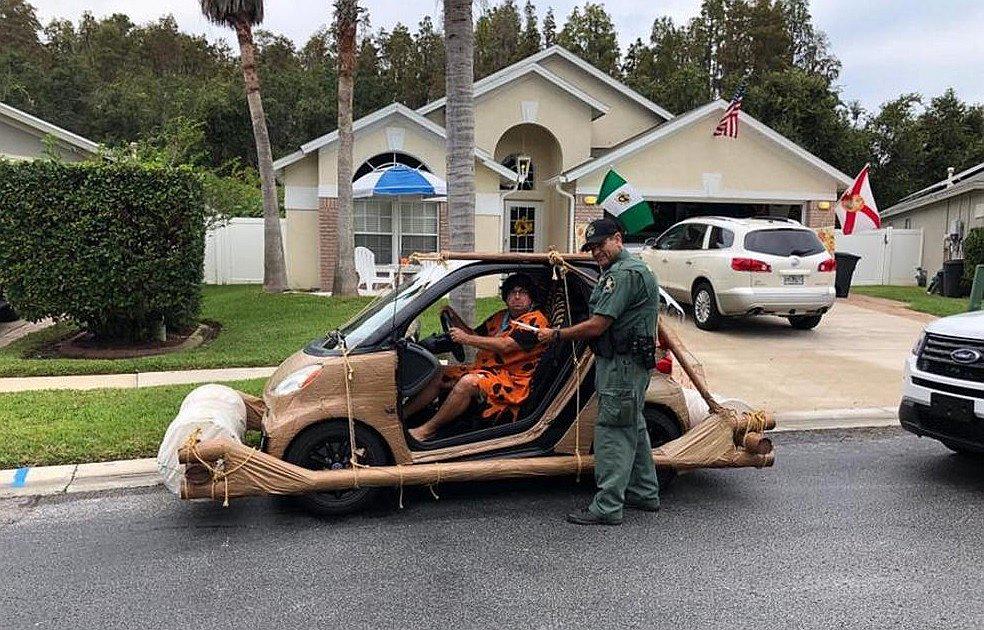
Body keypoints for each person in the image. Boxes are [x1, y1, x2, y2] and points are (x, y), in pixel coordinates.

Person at [538, 218, 661, 525]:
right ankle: (644, 492)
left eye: (600, 245)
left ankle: (607, 506)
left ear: (617, 238)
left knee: (612, 431)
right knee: (633, 425)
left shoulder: (622, 275)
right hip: (628, 363)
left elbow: (598, 324)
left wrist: (555, 335)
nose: (595, 252)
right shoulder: (634, 270)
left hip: (621, 365)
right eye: (591, 248)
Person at [406, 273, 550, 443]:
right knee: (438, 372)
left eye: (523, 292)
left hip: (513, 381)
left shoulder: (535, 322)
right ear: (505, 296)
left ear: (531, 296)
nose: (517, 297)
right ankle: (401, 416)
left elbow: (505, 345)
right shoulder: (502, 316)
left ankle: (426, 431)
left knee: (469, 382)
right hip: (489, 370)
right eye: (512, 292)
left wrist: (465, 339)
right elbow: (474, 334)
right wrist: (453, 316)